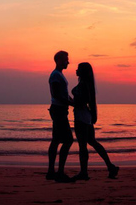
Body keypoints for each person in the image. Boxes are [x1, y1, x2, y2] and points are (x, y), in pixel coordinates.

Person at [72, 62, 119, 180]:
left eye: (78, 69)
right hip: (86, 116)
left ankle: (84, 172)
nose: (76, 70)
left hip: (81, 117)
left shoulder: (83, 84)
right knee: (92, 142)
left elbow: (81, 102)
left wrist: (70, 102)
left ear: (82, 71)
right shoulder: (86, 84)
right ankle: (110, 166)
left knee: (83, 145)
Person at [47, 50, 74, 183]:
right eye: (65, 59)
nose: (68, 62)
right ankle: (60, 172)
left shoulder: (59, 75)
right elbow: (57, 94)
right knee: (68, 140)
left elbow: (64, 93)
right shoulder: (55, 76)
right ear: (58, 60)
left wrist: (72, 101)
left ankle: (51, 171)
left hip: (59, 109)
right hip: (58, 110)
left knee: (56, 140)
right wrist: (70, 103)